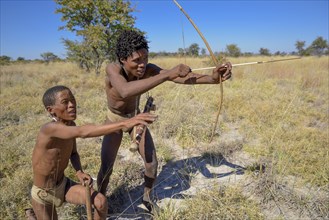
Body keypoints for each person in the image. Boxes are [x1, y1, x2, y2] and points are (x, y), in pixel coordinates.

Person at [96, 29, 232, 213]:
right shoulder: (113, 69)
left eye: (145, 58)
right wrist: (166, 75)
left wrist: (213, 78)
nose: (142, 64)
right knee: (107, 166)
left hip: (136, 117)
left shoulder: (149, 69)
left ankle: (147, 198)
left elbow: (179, 77)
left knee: (151, 163)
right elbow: (125, 91)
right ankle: (100, 200)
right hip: (115, 119)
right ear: (122, 59)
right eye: (136, 60)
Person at [31, 85, 157, 220]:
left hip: (63, 185)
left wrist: (79, 171)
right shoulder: (49, 129)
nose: (72, 105)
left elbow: (73, 153)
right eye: (65, 102)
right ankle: (32, 215)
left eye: (73, 100)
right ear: (51, 110)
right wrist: (124, 124)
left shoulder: (70, 125)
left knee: (100, 202)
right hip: (43, 194)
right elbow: (83, 132)